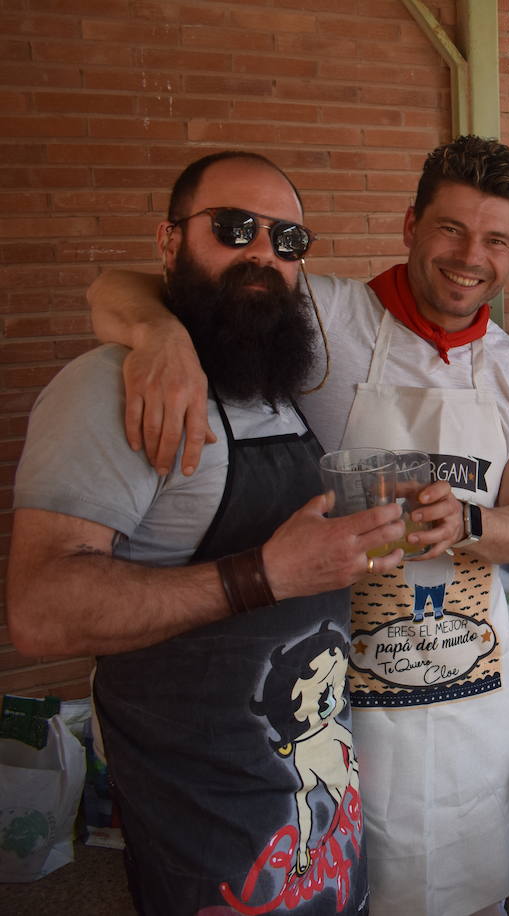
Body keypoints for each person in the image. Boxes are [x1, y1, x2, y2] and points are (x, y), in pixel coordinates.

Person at [86, 137, 509, 916]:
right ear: (409, 225)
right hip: (343, 685)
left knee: (476, 890)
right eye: (451, 230)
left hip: (472, 681)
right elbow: (118, 285)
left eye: (495, 239)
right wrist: (160, 335)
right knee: (349, 879)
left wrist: (468, 520)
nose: (471, 257)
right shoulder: (331, 315)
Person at [7, 151, 410, 914]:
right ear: (169, 242)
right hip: (213, 842)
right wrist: (262, 575)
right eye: (233, 228)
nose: (262, 251)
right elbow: (39, 607)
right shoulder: (109, 389)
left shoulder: (278, 378)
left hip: (320, 819)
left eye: (287, 239)